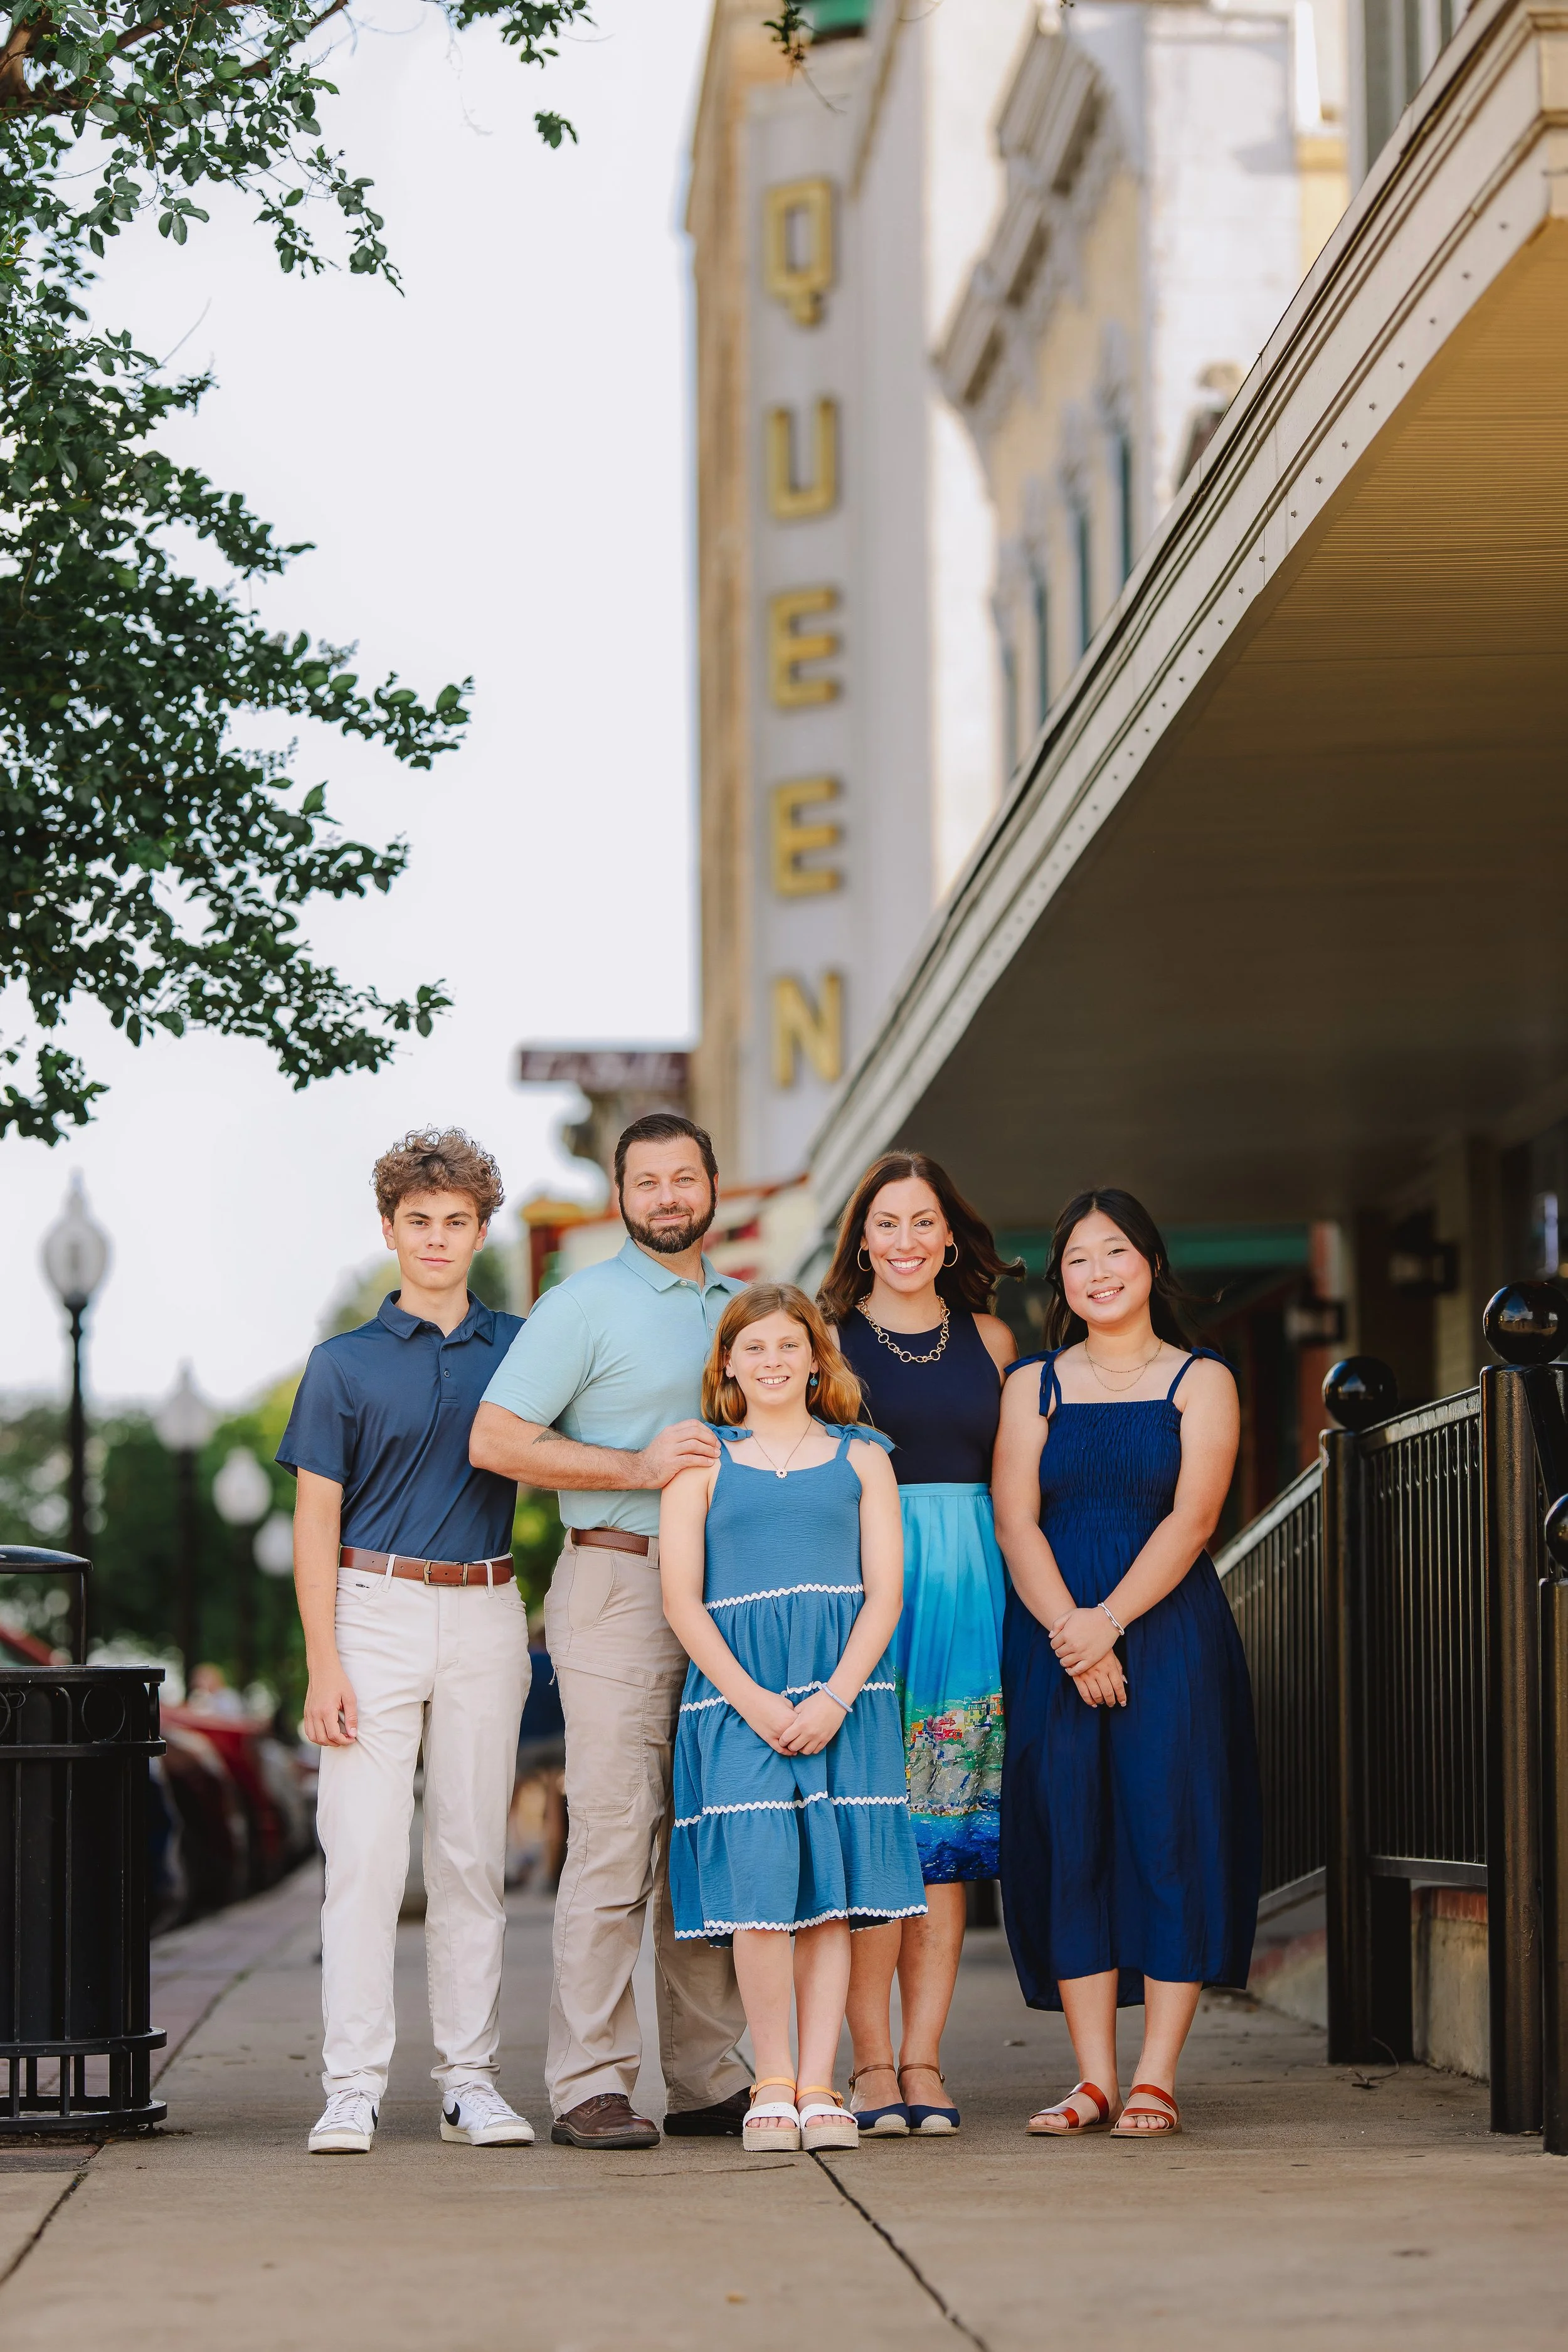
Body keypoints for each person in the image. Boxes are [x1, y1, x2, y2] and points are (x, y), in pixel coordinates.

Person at [469, 1113, 752, 2149]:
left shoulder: (746, 1308)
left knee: (707, 1838)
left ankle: (709, 2072)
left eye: (686, 1177)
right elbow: (496, 1437)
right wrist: (639, 1467)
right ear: (622, 1194)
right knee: (614, 1837)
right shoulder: (582, 1301)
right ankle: (590, 2077)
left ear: (712, 1185)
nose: (670, 1196)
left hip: (731, 1604)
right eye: (649, 1181)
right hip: (620, 1587)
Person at [278, 1130, 534, 2157]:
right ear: (389, 1229)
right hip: (369, 1609)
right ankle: (352, 2086)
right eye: (418, 1221)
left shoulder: (522, 1346)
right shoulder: (341, 1364)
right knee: (365, 1859)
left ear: (481, 1229)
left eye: (457, 1221)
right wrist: (322, 1659)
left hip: (486, 1608)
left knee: (471, 1857)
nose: (437, 1238)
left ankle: (469, 2081)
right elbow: (313, 1523)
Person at [991, 1187, 1260, 2139]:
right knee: (1073, 1836)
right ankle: (1093, 2077)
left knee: (1168, 1829)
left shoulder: (1202, 1378)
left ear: (1150, 1260)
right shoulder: (1035, 1384)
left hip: (1166, 1629)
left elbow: (1193, 1519)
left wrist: (1107, 1621)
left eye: (1115, 1252)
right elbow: (1015, 1520)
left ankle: (1156, 2075)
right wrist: (1072, 1630)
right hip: (1054, 1633)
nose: (1097, 1272)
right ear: (1060, 1279)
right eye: (1077, 1258)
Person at [659, 1284, 926, 2153]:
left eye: (789, 1345)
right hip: (739, 1699)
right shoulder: (701, 1463)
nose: (772, 1361)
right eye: (754, 1347)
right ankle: (770, 2076)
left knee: (829, 1900)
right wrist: (758, 1702)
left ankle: (821, 2082)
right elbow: (683, 1601)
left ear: (817, 1359)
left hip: (842, 1694)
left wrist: (837, 1695)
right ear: (727, 1364)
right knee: (764, 1893)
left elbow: (885, 1591)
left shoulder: (863, 1457)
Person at [824, 1152, 1019, 2136]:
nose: (904, 1240)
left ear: (950, 1236)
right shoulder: (826, 1343)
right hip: (865, 1601)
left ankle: (925, 2060)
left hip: (969, 1603)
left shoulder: (991, 1338)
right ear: (861, 1237)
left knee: (940, 1845)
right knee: (873, 1840)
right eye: (885, 1222)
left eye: (922, 1222)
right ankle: (867, 2065)